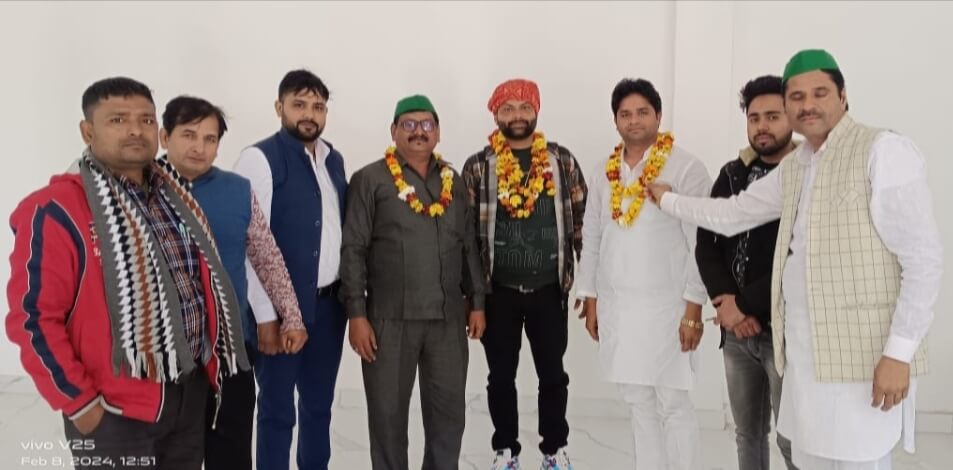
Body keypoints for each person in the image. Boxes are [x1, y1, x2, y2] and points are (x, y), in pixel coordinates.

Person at [648, 49, 943, 470]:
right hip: (804, 365)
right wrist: (669, 200)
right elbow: (731, 214)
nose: (808, 105)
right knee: (806, 460)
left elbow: (923, 261)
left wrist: (899, 353)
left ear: (843, 96)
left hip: (862, 365)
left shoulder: (882, 150)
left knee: (859, 460)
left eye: (820, 93)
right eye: (797, 97)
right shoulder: (796, 168)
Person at [6, 77, 249, 470]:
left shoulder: (176, 197)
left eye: (146, 120)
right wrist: (81, 404)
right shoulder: (56, 209)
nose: (136, 130)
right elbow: (33, 318)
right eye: (118, 120)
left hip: (187, 397)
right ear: (88, 131)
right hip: (114, 410)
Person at [159, 95, 307, 470]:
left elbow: (267, 257)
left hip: (231, 350)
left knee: (231, 454)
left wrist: (291, 316)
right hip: (164, 357)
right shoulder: (140, 189)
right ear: (164, 136)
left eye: (209, 139)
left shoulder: (237, 190)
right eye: (189, 135)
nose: (199, 147)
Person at [340, 95, 486, 470]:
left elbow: (468, 245)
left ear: (437, 132)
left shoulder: (453, 181)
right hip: (389, 321)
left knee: (449, 416)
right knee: (387, 418)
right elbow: (353, 248)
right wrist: (357, 314)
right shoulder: (370, 180)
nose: (418, 132)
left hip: (447, 320)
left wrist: (478, 302)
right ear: (393, 131)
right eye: (408, 124)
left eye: (426, 125)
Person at [576, 78, 710, 470]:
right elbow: (592, 236)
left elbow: (702, 242)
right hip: (620, 307)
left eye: (642, 112)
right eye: (625, 114)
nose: (634, 121)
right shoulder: (604, 171)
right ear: (616, 120)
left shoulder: (686, 167)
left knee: (674, 403)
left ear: (658, 115)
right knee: (638, 402)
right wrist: (589, 295)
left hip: (669, 307)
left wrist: (694, 307)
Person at [461, 78, 586, 470]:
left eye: (524, 107)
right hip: (497, 291)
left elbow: (582, 223)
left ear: (536, 111)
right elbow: (465, 238)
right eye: (508, 108)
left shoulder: (561, 161)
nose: (517, 115)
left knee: (553, 374)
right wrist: (472, 297)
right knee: (500, 377)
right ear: (496, 115)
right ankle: (505, 451)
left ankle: (554, 449)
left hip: (549, 288)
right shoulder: (478, 165)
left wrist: (586, 285)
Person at [233, 69, 348, 470]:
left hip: (330, 308)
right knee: (277, 410)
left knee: (319, 406)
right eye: (299, 104)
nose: (309, 114)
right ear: (279, 107)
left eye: (318, 106)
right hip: (281, 312)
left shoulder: (333, 159)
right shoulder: (258, 159)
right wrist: (266, 316)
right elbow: (249, 244)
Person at [693, 75, 798, 470]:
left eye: (773, 116)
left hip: (784, 333)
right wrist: (726, 304)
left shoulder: (805, 174)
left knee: (792, 439)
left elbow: (796, 260)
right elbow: (707, 241)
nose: (762, 126)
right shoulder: (733, 174)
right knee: (748, 433)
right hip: (736, 333)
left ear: (791, 117)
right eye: (754, 118)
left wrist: (745, 306)